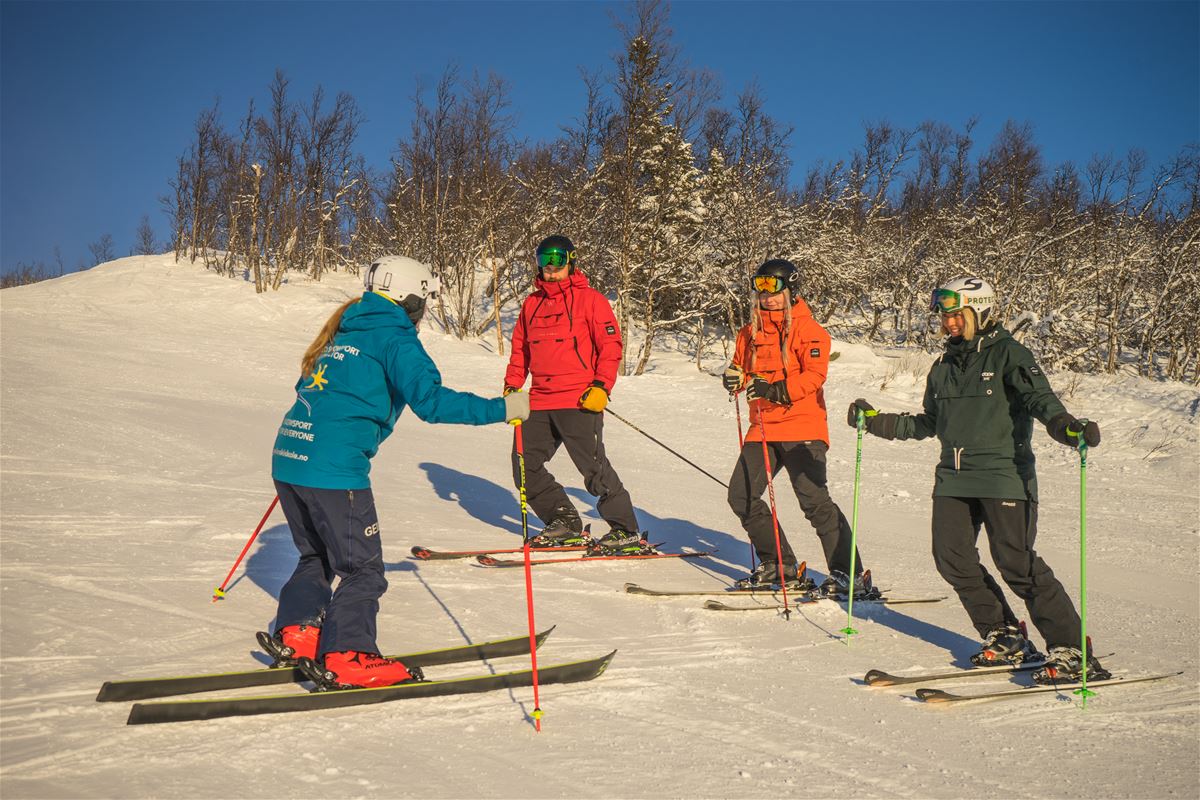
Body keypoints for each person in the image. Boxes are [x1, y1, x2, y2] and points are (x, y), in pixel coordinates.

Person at [262, 255, 529, 689]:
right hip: (333, 468)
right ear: (409, 299)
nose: (424, 313)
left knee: (317, 555)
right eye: (424, 301)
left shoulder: (346, 329)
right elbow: (433, 403)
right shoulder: (396, 339)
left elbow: (308, 389)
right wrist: (504, 409)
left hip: (291, 455)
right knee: (362, 569)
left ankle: (300, 630)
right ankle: (350, 654)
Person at [848, 275, 1110, 684]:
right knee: (952, 558)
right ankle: (1003, 635)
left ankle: (1074, 651)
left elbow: (1043, 403)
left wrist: (1068, 428)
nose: (949, 323)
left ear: (981, 310)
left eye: (957, 315)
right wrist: (875, 421)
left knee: (1016, 562)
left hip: (1004, 475)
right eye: (945, 315)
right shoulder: (943, 366)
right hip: (954, 478)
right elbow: (929, 423)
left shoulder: (1011, 355)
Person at [722, 259, 876, 595]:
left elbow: (814, 376)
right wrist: (734, 378)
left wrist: (776, 390)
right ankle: (779, 566)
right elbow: (742, 373)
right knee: (742, 496)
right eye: (761, 287)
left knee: (814, 502)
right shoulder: (748, 334)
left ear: (791, 289)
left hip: (802, 426)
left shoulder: (810, 331)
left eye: (774, 288)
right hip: (762, 426)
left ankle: (850, 575)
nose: (768, 296)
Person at [503, 235, 644, 552]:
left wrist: (601, 386)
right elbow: (520, 352)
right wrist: (513, 386)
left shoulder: (591, 300)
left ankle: (626, 529)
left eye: (558, 260)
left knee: (594, 470)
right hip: (539, 401)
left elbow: (611, 348)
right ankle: (563, 520)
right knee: (524, 466)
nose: (551, 268)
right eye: (544, 261)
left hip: (579, 399)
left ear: (571, 261)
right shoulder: (531, 304)